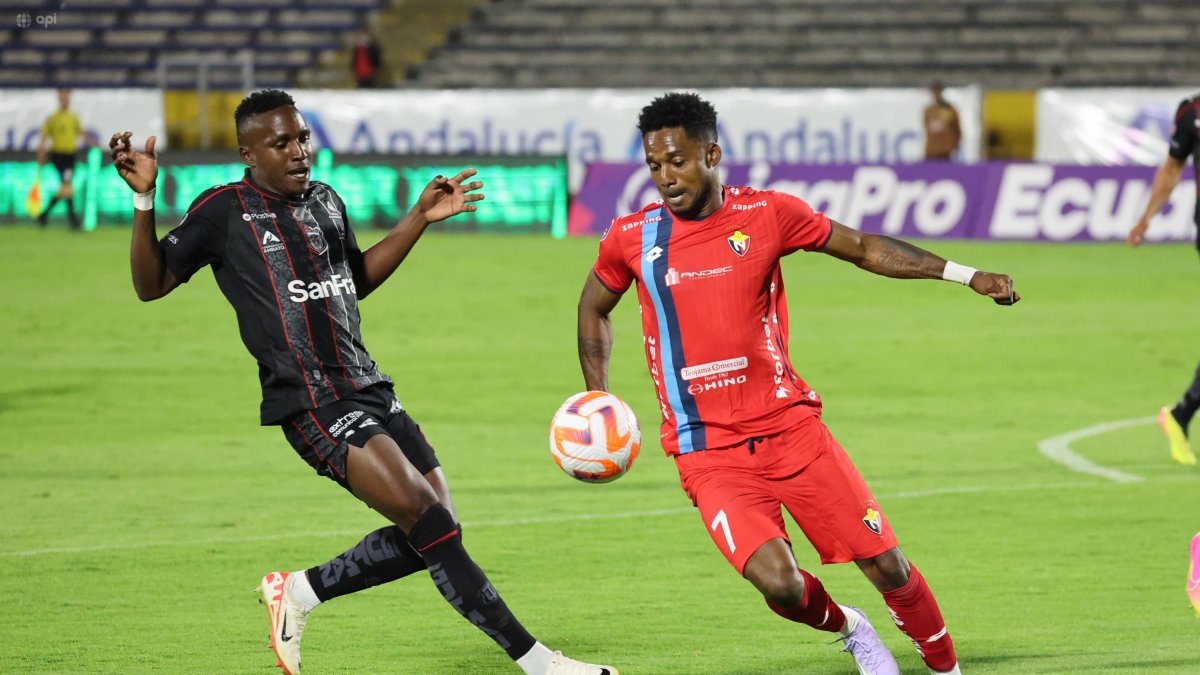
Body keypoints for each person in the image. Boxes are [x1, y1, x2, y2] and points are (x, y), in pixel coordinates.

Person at [109, 89, 616, 675]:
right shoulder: (224, 212)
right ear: (249, 153)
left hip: (369, 385)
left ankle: (298, 592)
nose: (299, 151)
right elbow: (151, 284)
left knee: (436, 527)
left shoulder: (326, 200)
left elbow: (352, 280)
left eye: (302, 137)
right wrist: (145, 199)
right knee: (432, 527)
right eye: (282, 143)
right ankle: (541, 664)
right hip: (312, 402)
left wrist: (418, 221)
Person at [578, 92, 1020, 675]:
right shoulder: (631, 238)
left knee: (888, 567)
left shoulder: (767, 214)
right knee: (781, 586)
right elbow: (593, 307)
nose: (666, 178)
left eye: (678, 162)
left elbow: (863, 248)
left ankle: (946, 668)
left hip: (791, 430)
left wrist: (965, 275)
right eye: (654, 166)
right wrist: (599, 396)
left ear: (711, 154)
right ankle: (851, 628)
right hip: (706, 450)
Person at [1127, 93, 1200, 466]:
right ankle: (1181, 415)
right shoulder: (1192, 112)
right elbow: (1171, 170)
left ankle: (1181, 415)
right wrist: (1145, 219)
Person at [37, 87, 95, 229]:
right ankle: (73, 221)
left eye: (67, 96)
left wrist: (93, 144)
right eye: (62, 96)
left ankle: (44, 215)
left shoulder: (73, 117)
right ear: (59, 98)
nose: (65, 99)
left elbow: (81, 133)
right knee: (67, 186)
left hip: (70, 155)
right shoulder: (53, 118)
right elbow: (44, 137)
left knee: (66, 187)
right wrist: (41, 154)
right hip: (58, 156)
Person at [923, 81, 961, 161]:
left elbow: (956, 129)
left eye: (938, 91)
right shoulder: (928, 111)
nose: (936, 94)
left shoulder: (949, 109)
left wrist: (955, 144)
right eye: (934, 91)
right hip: (931, 151)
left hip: (945, 151)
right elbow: (927, 128)